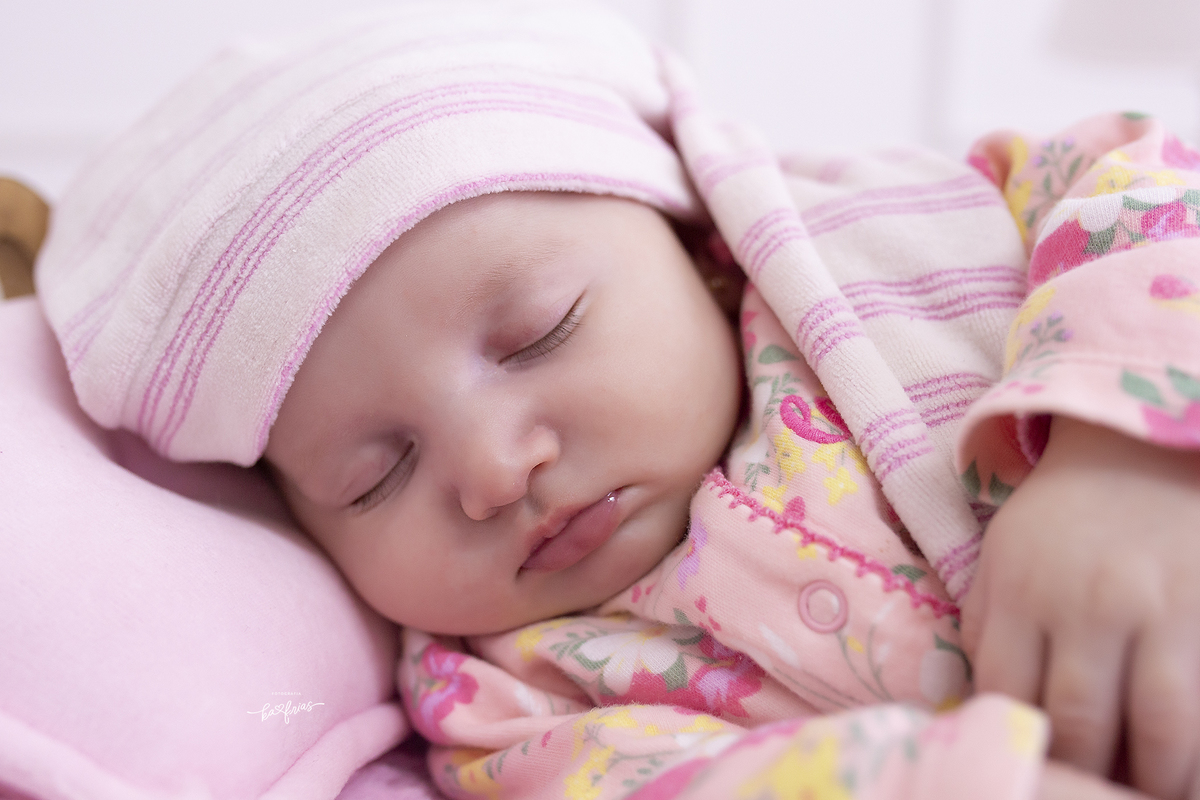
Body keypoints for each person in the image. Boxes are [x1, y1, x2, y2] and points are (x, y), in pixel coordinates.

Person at [34, 2, 1200, 798]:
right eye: (372, 474)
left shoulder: (917, 227)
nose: (495, 468)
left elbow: (1147, 195)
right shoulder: (511, 697)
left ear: (690, 238)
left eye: (541, 331)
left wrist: (1121, 456)